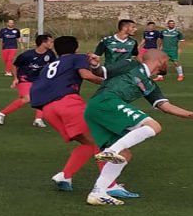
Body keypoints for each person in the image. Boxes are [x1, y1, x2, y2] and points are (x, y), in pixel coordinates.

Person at [84, 50, 193, 206]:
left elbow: (164, 105)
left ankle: (98, 192)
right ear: (161, 60)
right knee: (154, 126)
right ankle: (111, 151)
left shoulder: (150, 84)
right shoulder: (131, 65)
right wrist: (95, 65)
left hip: (97, 109)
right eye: (167, 61)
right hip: (106, 101)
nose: (168, 65)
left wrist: (191, 114)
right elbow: (102, 71)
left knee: (124, 154)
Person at [30, 36, 133, 198]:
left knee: (88, 143)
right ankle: (109, 185)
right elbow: (86, 75)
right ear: (76, 48)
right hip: (68, 104)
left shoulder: (50, 65)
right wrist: (108, 83)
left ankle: (65, 176)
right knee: (99, 141)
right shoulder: (77, 58)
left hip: (48, 110)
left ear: (56, 49)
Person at [0, 34, 56, 128]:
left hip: (39, 80)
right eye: (50, 42)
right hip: (25, 78)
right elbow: (15, 65)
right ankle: (1, 114)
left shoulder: (50, 54)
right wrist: (15, 78)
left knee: (43, 97)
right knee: (28, 98)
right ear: (43, 43)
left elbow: (54, 66)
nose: (52, 43)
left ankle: (38, 119)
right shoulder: (27, 54)